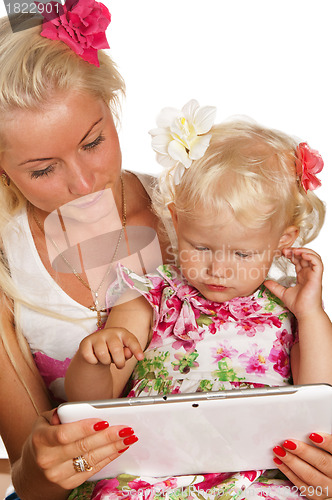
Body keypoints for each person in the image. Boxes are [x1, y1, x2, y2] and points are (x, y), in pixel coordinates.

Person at [65, 105, 332, 499]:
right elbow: (89, 399)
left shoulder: (289, 310)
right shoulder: (152, 296)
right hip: (155, 470)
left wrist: (311, 313)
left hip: (255, 470)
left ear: (283, 241)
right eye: (201, 246)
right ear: (176, 221)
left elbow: (318, 397)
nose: (218, 270)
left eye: (242, 255)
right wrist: (95, 357)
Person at [0, 3, 169, 500]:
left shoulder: (188, 209)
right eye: (42, 170)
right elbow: (34, 484)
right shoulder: (7, 263)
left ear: (112, 110)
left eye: (93, 142)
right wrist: (45, 465)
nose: (82, 183)